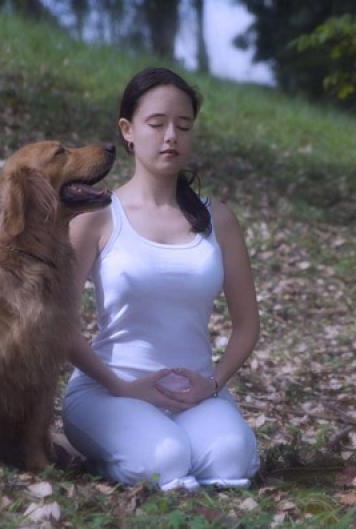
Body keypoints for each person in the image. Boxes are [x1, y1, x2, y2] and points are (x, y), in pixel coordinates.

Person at [63, 67, 261, 491]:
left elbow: (247, 325)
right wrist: (122, 386)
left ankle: (169, 446)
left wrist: (212, 384)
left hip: (193, 395)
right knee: (166, 460)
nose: (171, 135)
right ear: (128, 130)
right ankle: (114, 458)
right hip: (108, 390)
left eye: (183, 126)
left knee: (233, 460)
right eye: (157, 123)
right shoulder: (97, 216)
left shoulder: (218, 219)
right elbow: (57, 321)